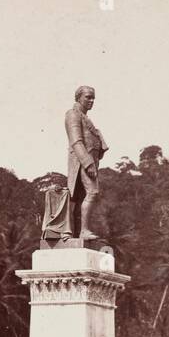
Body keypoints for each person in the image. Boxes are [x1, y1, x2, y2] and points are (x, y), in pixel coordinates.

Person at [63, 85, 107, 239]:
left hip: (91, 161)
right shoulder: (72, 114)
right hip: (83, 162)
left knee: (81, 197)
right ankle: (83, 231)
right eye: (88, 97)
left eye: (93, 97)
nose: (91, 100)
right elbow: (76, 141)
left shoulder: (85, 117)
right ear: (78, 97)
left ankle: (79, 231)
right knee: (92, 192)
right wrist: (88, 163)